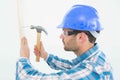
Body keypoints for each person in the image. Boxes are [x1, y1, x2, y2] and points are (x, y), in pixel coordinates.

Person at [16, 4, 113, 80]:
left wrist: (24, 58)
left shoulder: (92, 70)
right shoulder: (96, 57)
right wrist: (45, 55)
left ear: (81, 37)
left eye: (65, 32)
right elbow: (72, 66)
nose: (61, 36)